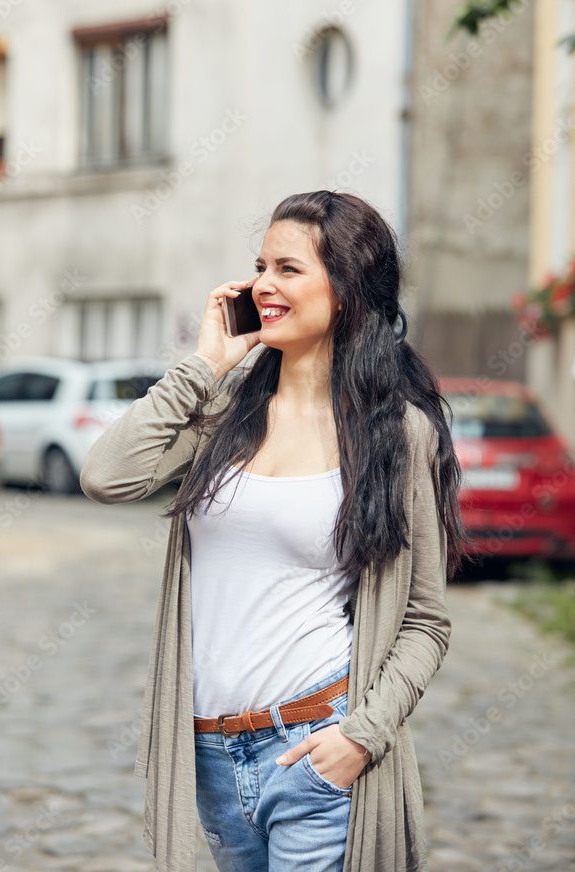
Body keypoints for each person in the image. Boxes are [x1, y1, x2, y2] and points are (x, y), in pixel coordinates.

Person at [80, 190, 475, 872]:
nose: (262, 284)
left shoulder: (396, 435)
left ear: (346, 290)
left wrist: (361, 736)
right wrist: (205, 366)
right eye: (259, 266)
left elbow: (425, 620)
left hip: (315, 747)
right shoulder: (226, 414)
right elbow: (106, 475)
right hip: (208, 755)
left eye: (287, 269)